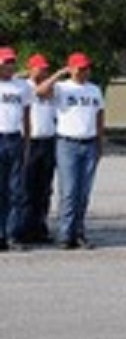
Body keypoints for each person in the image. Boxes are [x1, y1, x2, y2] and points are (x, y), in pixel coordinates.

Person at [36, 52, 104, 250]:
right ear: (72, 69)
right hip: (68, 143)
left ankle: (79, 232)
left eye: (87, 68)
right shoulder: (62, 88)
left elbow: (99, 116)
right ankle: (65, 234)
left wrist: (100, 142)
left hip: (89, 142)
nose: (85, 72)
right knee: (69, 191)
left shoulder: (94, 90)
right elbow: (40, 92)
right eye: (81, 68)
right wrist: (59, 74)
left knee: (84, 192)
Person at [18, 53, 56, 244]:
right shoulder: (25, 87)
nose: (44, 71)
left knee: (44, 188)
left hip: (48, 141)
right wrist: (59, 73)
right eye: (40, 68)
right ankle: (23, 228)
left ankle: (39, 227)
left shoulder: (52, 89)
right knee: (27, 187)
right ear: (31, 68)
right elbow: (39, 90)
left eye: (45, 68)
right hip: (30, 142)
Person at [0, 47, 31, 250]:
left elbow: (26, 116)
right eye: (5, 63)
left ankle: (12, 234)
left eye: (12, 62)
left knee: (15, 190)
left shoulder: (22, 87)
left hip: (14, 137)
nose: (9, 66)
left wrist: (27, 141)